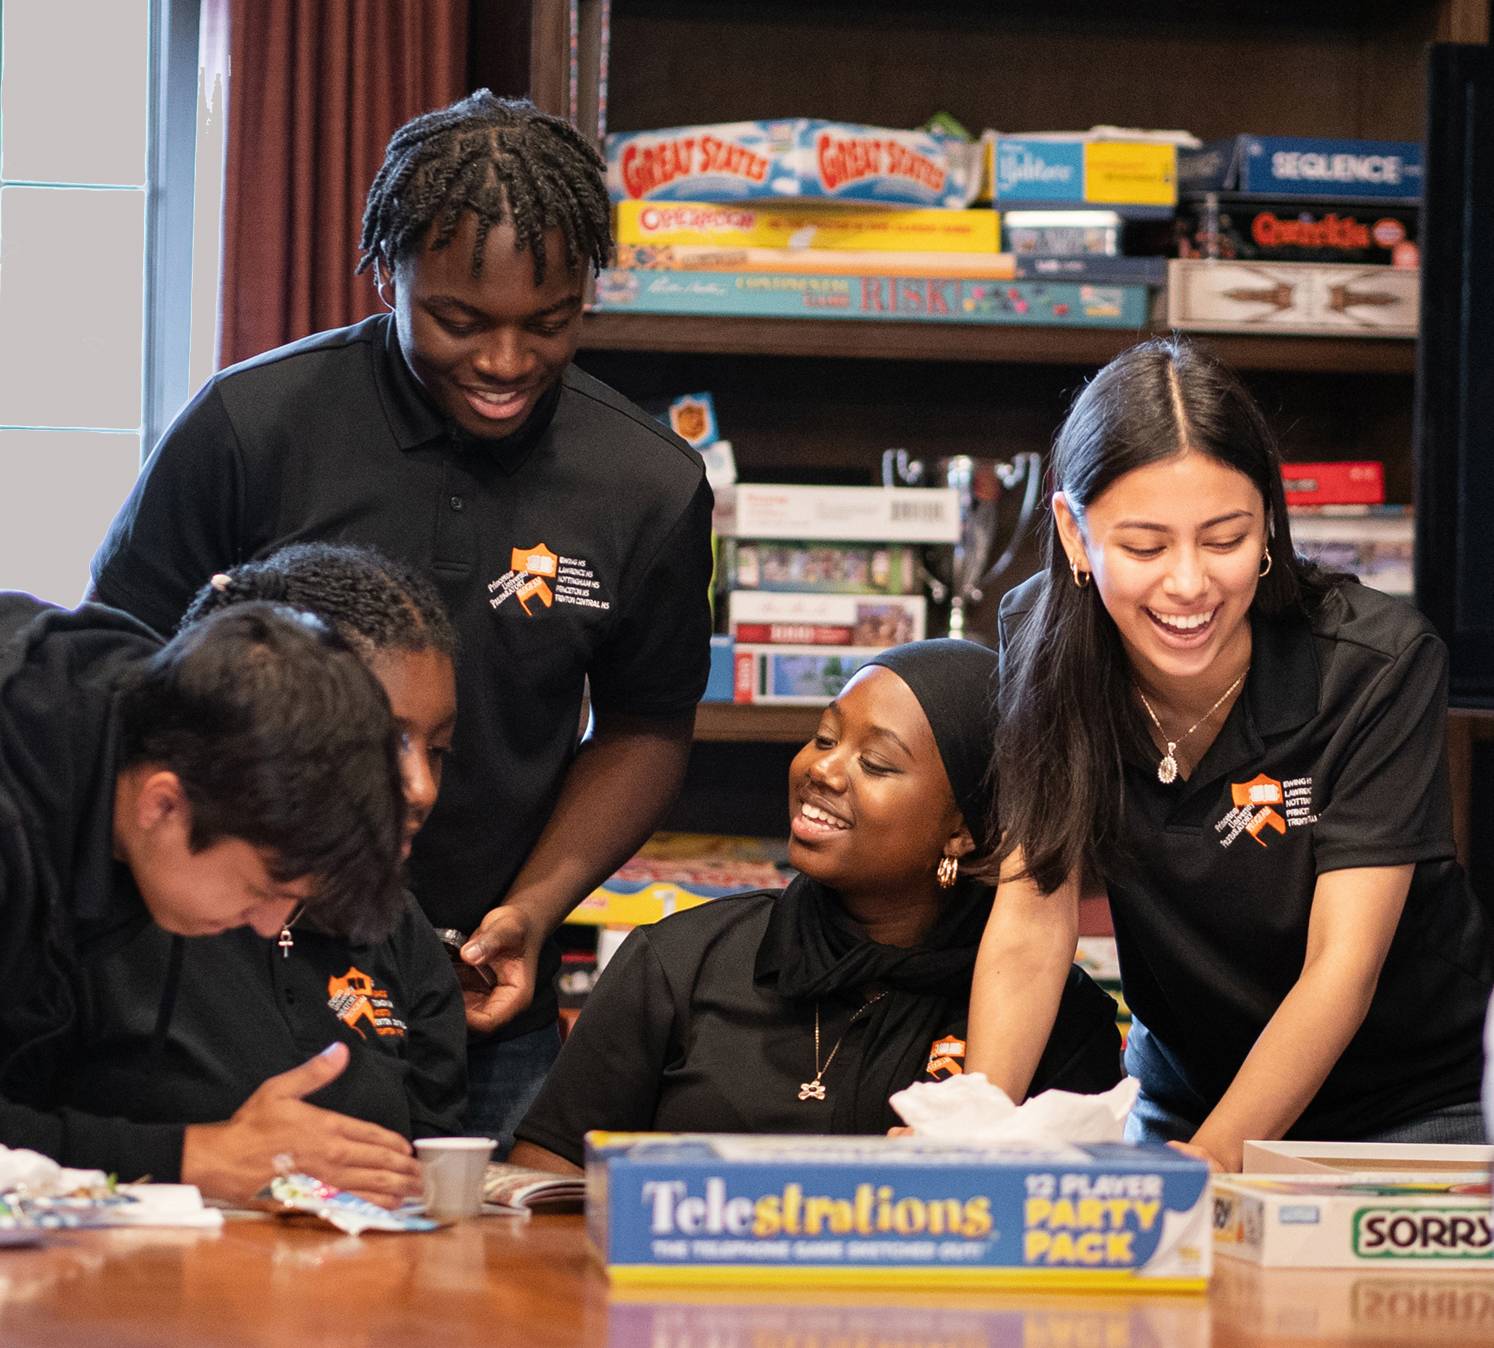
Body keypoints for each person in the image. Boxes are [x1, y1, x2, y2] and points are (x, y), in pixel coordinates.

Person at [89, 91, 715, 1150]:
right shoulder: (252, 426)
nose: (506, 362)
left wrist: (535, 907)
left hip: (476, 981)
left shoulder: (649, 484)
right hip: (227, 961)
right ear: (391, 271)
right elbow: (117, 672)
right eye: (459, 321)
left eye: (549, 322)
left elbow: (650, 725)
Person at [968, 336, 1494, 1171]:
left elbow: (1340, 970)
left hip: (1405, 1109)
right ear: (1073, 532)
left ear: (1270, 525)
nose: (1188, 585)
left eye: (1225, 539)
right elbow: (1035, 918)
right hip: (1182, 1093)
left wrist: (1200, 1170)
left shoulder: (1376, 664)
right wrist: (972, 1134)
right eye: (1144, 547)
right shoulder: (1042, 639)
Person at [509, 640, 1122, 1173]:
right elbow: (544, 1180)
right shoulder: (681, 963)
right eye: (824, 737)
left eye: (876, 763)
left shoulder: (1053, 1020)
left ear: (961, 831)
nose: (822, 769)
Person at [57, 544, 468, 1205]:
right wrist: (197, 1157)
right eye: (379, 744)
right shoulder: (68, 881)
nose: (418, 787)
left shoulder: (398, 926)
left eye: (439, 750)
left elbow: (430, 1168)